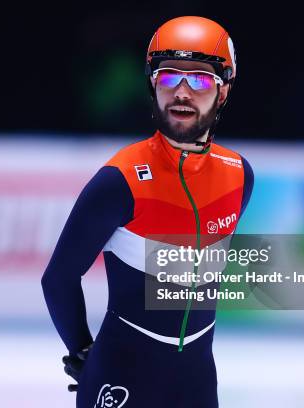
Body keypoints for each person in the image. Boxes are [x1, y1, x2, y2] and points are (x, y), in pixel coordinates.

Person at [42, 16, 254, 407]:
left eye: (201, 81)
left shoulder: (240, 176)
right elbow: (58, 278)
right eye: (170, 77)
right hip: (119, 378)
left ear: (224, 91)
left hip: (197, 382)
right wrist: (82, 352)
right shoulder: (118, 180)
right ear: (153, 83)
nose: (183, 93)